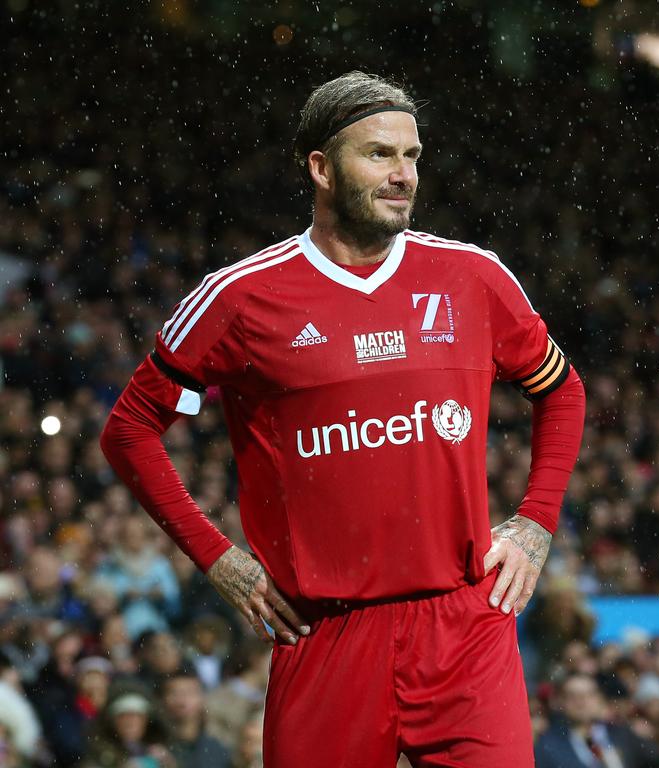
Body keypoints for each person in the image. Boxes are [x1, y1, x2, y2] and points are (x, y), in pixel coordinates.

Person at [100, 71, 586, 766]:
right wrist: (219, 559)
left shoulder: (472, 278)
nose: (403, 175)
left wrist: (536, 522)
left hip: (464, 629)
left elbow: (562, 391)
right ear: (321, 167)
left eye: (412, 156)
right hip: (323, 634)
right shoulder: (239, 298)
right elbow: (128, 431)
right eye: (379, 154)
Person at [534, 673, 659, 768]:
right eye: (573, 696)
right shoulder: (548, 745)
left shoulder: (622, 734)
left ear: (599, 699)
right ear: (562, 702)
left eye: (588, 695)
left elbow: (657, 761)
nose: (581, 702)